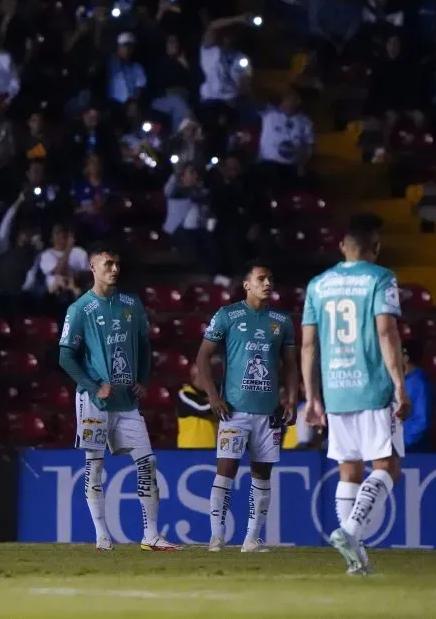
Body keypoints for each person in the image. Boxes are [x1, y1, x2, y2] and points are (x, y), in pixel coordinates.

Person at [301, 214, 411, 575]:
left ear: (342, 247)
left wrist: (313, 397)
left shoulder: (318, 284)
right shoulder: (381, 278)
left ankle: (356, 560)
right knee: (387, 467)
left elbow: (308, 344)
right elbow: (385, 332)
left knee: (348, 470)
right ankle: (350, 531)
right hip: (372, 386)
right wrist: (399, 384)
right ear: (375, 249)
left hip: (336, 389)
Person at [57, 244, 181, 552]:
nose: (114, 269)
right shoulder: (80, 309)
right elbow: (65, 357)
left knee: (147, 462)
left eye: (117, 264)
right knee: (94, 465)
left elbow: (145, 345)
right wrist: (93, 384)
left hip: (127, 402)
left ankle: (150, 535)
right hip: (94, 402)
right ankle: (102, 535)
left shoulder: (131, 304)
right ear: (93, 268)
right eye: (108, 264)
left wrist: (143, 379)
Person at [192, 261, 299, 553]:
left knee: (262, 475)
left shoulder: (282, 320)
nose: (267, 283)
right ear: (247, 284)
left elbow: (291, 365)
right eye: (261, 278)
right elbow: (203, 357)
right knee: (225, 471)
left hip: (269, 413)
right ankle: (216, 536)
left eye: (270, 278)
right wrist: (213, 396)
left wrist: (291, 398)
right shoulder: (227, 315)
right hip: (234, 411)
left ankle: (252, 539)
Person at [402, 341, 432, 451]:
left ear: (405, 358)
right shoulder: (401, 381)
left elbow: (422, 421)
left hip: (412, 451)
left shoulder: (419, 383)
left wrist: (401, 442)